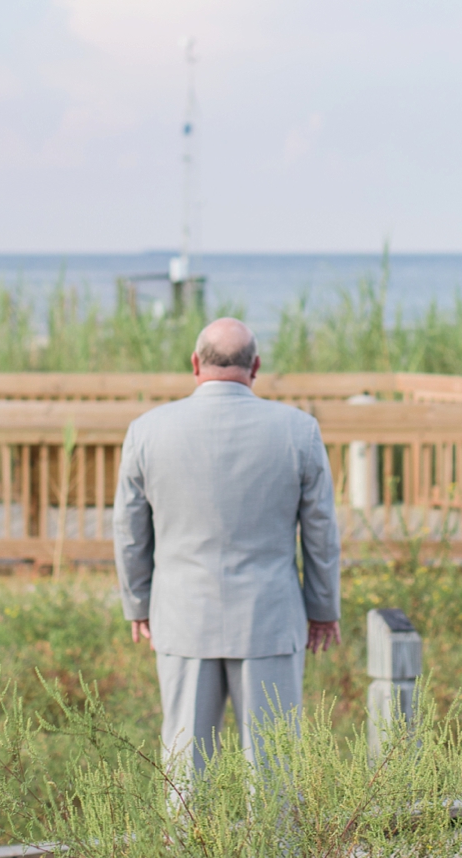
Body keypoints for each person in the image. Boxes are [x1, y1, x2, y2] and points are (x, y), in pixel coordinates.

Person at [112, 316, 341, 774]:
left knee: (185, 763)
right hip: (270, 618)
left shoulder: (147, 430)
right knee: (274, 765)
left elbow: (129, 529)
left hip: (181, 615)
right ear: (255, 365)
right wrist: (323, 609)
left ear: (195, 364)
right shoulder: (298, 430)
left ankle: (186, 847)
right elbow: (321, 530)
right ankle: (279, 849)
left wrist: (138, 603)